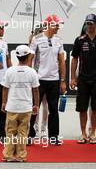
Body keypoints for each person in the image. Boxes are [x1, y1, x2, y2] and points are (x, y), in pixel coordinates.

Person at [28, 15, 66, 146]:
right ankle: (29, 135)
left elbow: (62, 61)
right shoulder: (36, 39)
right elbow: (30, 59)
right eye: (56, 25)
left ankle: (53, 136)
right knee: (34, 108)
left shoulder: (59, 40)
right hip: (38, 80)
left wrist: (62, 80)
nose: (58, 27)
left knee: (54, 109)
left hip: (54, 80)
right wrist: (29, 76)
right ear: (49, 24)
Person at [2, 45, 40, 162]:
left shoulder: (10, 71)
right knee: (23, 133)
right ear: (28, 56)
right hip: (25, 108)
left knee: (10, 132)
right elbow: (36, 90)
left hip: (12, 107)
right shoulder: (32, 72)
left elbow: (5, 88)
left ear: (17, 56)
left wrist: (4, 103)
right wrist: (36, 105)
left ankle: (8, 155)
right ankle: (21, 156)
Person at [70, 14, 96, 144]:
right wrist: (72, 78)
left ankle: (93, 133)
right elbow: (74, 59)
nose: (89, 26)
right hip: (83, 79)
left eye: (91, 23)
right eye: (87, 23)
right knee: (82, 108)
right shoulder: (79, 40)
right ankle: (83, 133)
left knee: (95, 108)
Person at [29, 25, 49, 138]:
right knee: (35, 104)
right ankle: (35, 127)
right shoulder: (34, 42)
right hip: (36, 76)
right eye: (40, 32)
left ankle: (43, 128)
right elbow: (30, 59)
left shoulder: (50, 42)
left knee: (45, 103)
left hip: (47, 77)